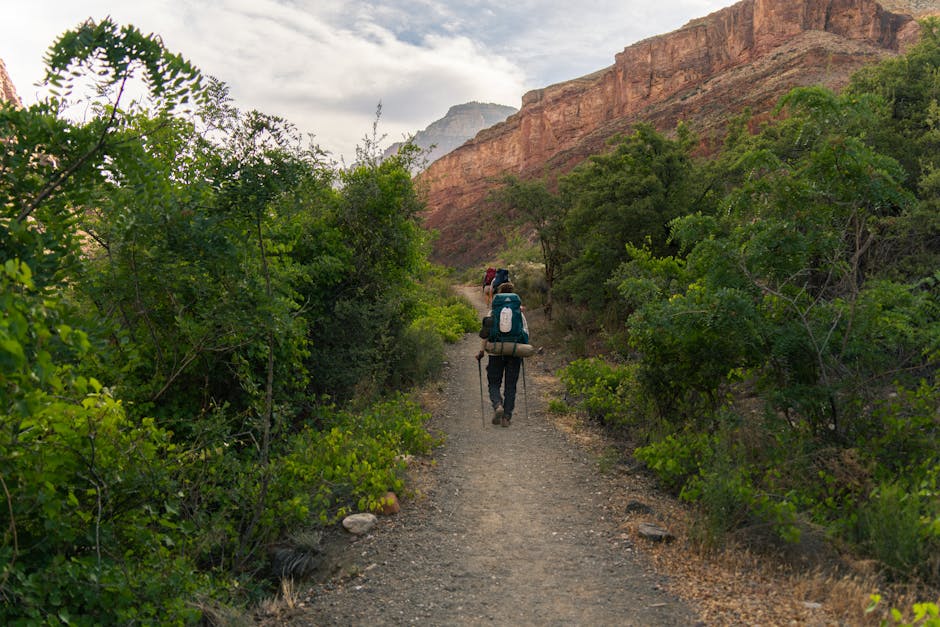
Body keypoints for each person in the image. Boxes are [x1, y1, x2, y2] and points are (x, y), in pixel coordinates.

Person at [476, 281, 528, 427]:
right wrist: (521, 349)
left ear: (498, 293)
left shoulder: (494, 311)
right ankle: (506, 417)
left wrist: (481, 351)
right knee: (510, 385)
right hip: (514, 352)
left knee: (494, 383)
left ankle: (498, 405)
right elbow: (525, 332)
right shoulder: (518, 312)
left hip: (496, 354)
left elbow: (485, 333)